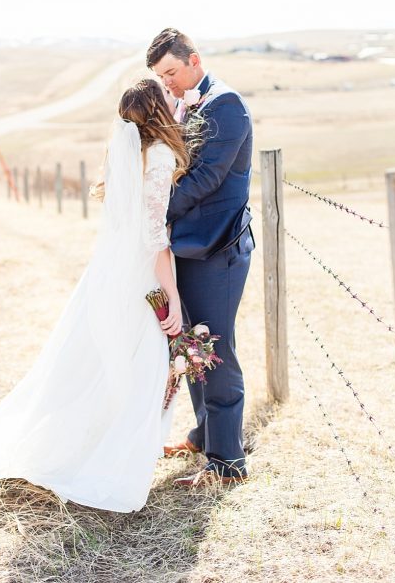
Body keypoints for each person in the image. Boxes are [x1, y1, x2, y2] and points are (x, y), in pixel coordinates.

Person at [0, 79, 191, 512]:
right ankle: (109, 461)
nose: (173, 96)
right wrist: (174, 298)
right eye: (165, 94)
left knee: (99, 363)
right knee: (139, 368)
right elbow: (153, 238)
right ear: (157, 110)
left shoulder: (123, 153)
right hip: (140, 278)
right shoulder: (162, 155)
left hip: (110, 274)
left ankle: (95, 449)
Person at [147, 28, 255, 487]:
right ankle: (203, 435)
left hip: (217, 248)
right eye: (159, 76)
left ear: (194, 59)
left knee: (216, 348)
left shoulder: (226, 106)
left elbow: (205, 179)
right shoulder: (186, 103)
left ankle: (227, 463)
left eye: (171, 72)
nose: (167, 83)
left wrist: (150, 213)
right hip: (186, 248)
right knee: (191, 346)